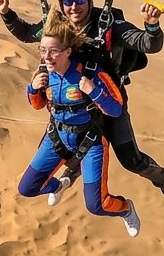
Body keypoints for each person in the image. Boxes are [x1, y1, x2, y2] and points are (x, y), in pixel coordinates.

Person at [0, 0, 164, 215]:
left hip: (107, 102)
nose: (74, 7)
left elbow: (148, 44)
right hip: (72, 105)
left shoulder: (109, 25)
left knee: (131, 160)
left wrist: (151, 26)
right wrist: (6, 13)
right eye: (68, 1)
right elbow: (28, 33)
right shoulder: (56, 25)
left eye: (79, 0)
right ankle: (66, 178)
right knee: (61, 143)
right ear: (61, 3)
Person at [16, 13, 141, 237]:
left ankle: (126, 209)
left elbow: (115, 109)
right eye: (43, 50)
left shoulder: (90, 72)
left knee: (97, 205)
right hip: (57, 138)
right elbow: (37, 105)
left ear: (67, 51)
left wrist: (94, 92)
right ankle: (60, 185)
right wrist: (33, 89)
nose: (47, 57)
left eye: (53, 51)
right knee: (27, 188)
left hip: (90, 140)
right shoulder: (44, 73)